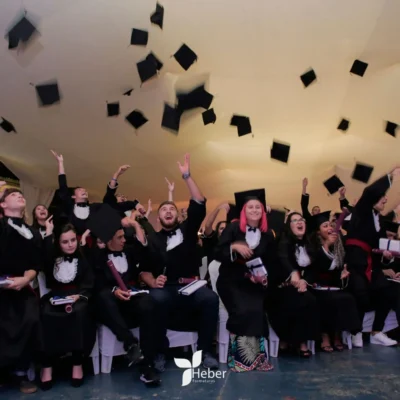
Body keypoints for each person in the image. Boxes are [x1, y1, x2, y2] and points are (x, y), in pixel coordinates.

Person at [140, 154, 219, 371]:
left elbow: (199, 203)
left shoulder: (188, 230)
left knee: (210, 299)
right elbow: (144, 270)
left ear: (177, 215)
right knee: (155, 300)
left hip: (191, 286)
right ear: (158, 218)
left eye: (171, 209)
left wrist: (187, 176)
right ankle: (158, 353)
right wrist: (152, 281)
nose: (167, 211)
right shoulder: (153, 240)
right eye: (163, 209)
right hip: (166, 287)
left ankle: (205, 353)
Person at [90, 205, 162, 386]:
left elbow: (148, 253)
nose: (124, 240)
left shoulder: (130, 252)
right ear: (108, 241)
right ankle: (130, 344)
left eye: (124, 236)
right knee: (104, 296)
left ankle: (147, 364)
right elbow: (96, 285)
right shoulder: (97, 256)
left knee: (148, 302)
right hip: (109, 308)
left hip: (130, 304)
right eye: (119, 238)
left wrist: (137, 226)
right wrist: (114, 291)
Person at [215, 195, 275, 372]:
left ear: (263, 212)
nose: (255, 210)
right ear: (244, 211)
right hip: (230, 280)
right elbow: (217, 252)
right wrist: (233, 247)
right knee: (243, 309)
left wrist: (263, 277)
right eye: (251, 207)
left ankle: (259, 359)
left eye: (258, 207)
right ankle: (240, 361)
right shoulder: (233, 228)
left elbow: (271, 262)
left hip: (253, 282)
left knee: (257, 308)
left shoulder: (267, 235)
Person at [345, 166, 400, 347]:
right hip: (356, 262)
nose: (385, 199)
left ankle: (377, 331)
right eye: (383, 196)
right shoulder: (362, 210)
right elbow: (369, 191)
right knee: (361, 292)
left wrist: (385, 257)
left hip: (371, 264)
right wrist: (390, 178)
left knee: (387, 291)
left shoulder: (380, 222)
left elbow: (380, 249)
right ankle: (356, 331)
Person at [39, 221, 96, 390]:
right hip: (55, 296)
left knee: (80, 314)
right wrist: (48, 233)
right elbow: (42, 256)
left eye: (73, 240)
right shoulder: (51, 259)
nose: (70, 245)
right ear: (58, 242)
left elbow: (89, 283)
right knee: (45, 314)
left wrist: (79, 296)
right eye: (65, 241)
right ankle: (47, 366)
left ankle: (77, 364)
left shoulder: (83, 258)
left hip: (77, 297)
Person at [0, 186, 42, 394]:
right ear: (3, 205)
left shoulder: (32, 233)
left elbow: (36, 263)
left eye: (21, 194)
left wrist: (25, 279)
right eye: (13, 195)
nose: (19, 196)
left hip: (23, 286)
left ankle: (21, 372)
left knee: (31, 318)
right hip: (0, 286)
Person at [267, 212, 319, 357]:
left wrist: (304, 281)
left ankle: (296, 340)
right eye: (294, 220)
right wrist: (293, 272)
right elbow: (283, 258)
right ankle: (294, 341)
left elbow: (314, 268)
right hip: (281, 287)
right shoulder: (283, 242)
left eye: (301, 219)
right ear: (289, 226)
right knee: (297, 300)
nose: (299, 222)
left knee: (309, 300)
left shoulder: (311, 244)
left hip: (303, 286)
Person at [308, 212, 361, 352]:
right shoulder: (312, 247)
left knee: (347, 298)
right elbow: (317, 267)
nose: (330, 228)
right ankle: (325, 336)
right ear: (319, 233)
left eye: (331, 225)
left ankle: (337, 334)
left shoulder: (338, 245)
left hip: (333, 286)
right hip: (316, 286)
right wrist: (325, 245)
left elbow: (335, 270)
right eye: (325, 226)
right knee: (328, 300)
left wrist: (342, 274)